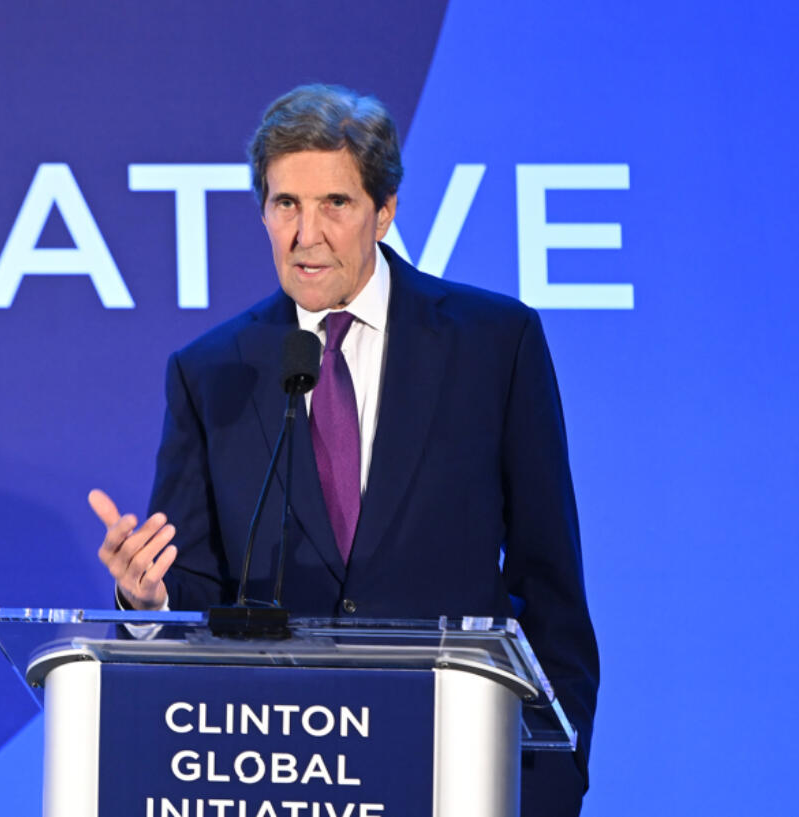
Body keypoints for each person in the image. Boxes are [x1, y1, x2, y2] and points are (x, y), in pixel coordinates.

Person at [89, 84, 598, 816]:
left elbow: (551, 588)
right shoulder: (210, 373)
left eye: (335, 203)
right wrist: (149, 597)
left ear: (384, 210)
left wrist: (553, 779)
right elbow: (199, 590)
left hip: (456, 769)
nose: (307, 233)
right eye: (284, 204)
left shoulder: (495, 345)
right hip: (279, 776)